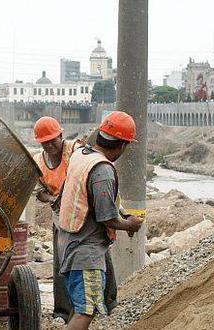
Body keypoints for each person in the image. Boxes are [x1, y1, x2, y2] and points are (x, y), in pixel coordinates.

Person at [56, 111, 144, 330]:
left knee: (80, 306)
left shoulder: (82, 155)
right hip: (86, 252)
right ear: (123, 145)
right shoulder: (103, 170)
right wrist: (129, 225)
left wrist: (121, 212)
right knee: (87, 311)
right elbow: (106, 217)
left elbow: (93, 199)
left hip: (69, 242)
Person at [32, 116, 83, 321]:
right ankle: (62, 311)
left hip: (83, 214)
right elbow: (39, 193)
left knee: (95, 256)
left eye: (53, 140)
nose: (50, 145)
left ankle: (105, 302)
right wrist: (54, 198)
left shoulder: (75, 151)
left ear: (61, 135)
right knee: (62, 262)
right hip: (59, 216)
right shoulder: (38, 162)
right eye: (45, 142)